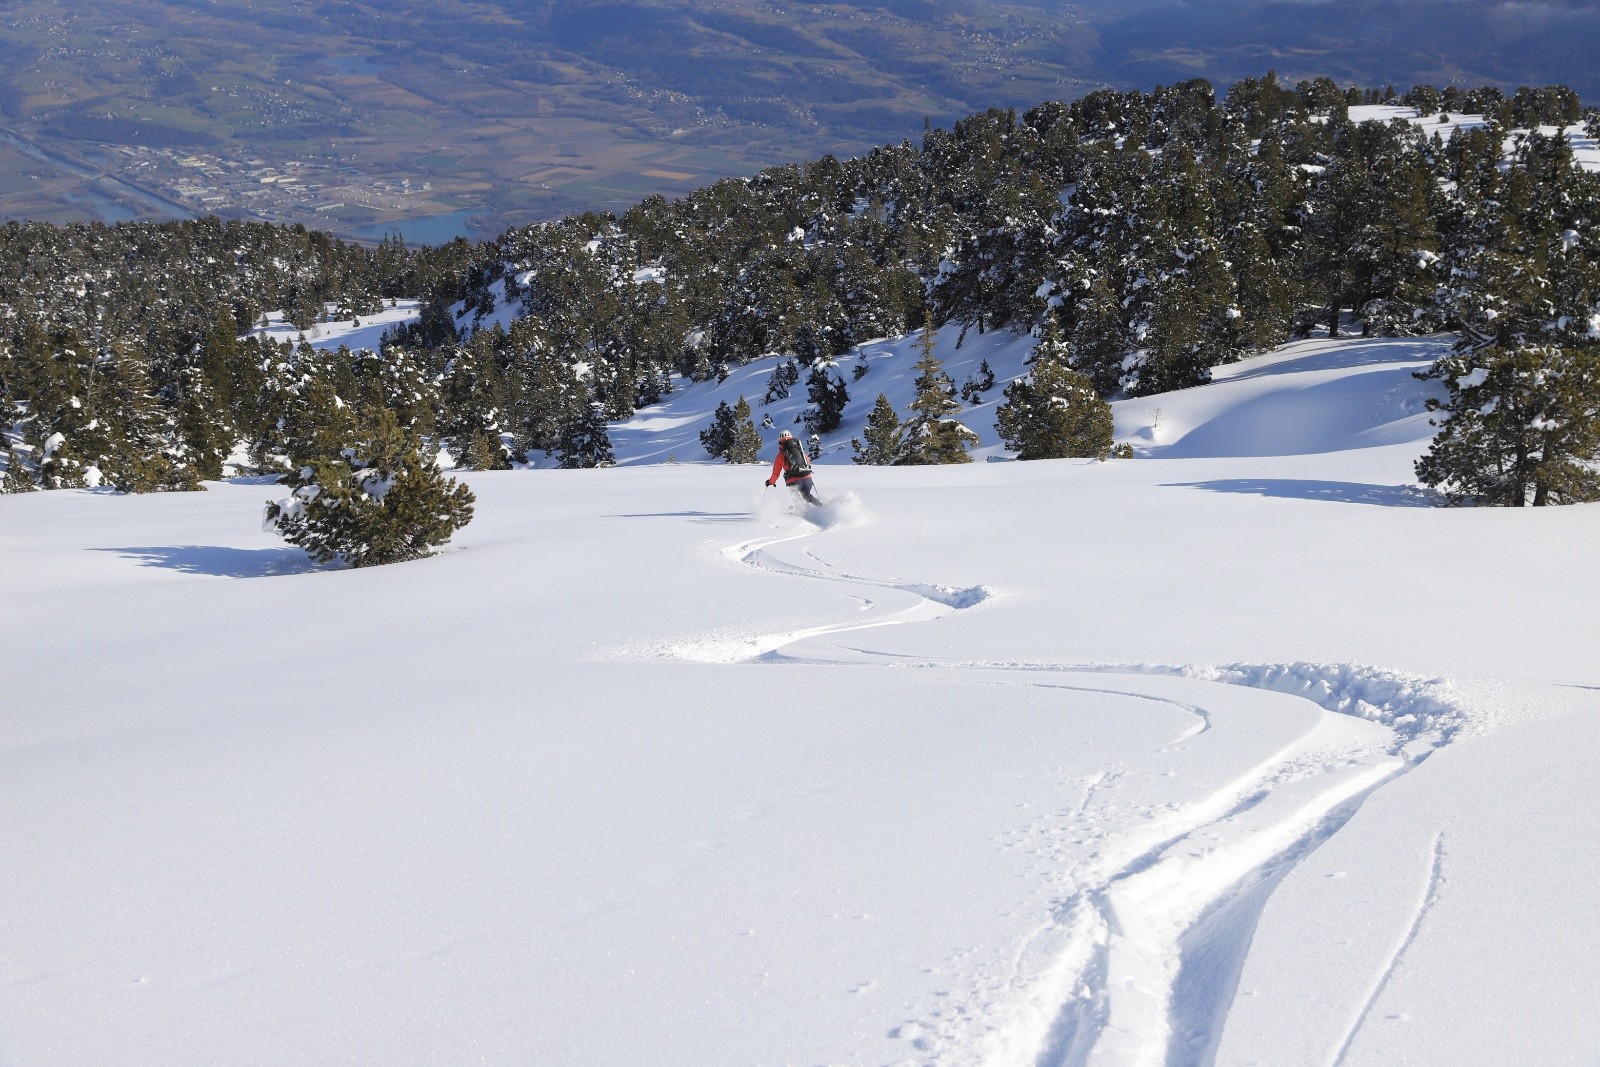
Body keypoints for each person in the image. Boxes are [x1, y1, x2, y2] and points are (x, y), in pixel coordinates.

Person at [765, 429, 823, 505]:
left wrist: (770, 482)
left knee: (797, 500)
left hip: (793, 481)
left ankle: (801, 511)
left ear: (780, 440)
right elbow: (807, 461)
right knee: (807, 495)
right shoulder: (799, 448)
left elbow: (776, 473)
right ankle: (821, 507)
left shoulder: (781, 454)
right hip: (807, 478)